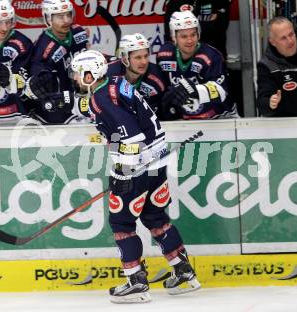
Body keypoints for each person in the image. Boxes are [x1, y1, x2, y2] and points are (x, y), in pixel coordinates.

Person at [70, 50, 200, 303]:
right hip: (156, 161)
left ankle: (135, 281)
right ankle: (185, 273)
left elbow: (131, 138)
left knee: (122, 223)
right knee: (155, 217)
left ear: (89, 74)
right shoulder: (117, 83)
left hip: (137, 164)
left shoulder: (101, 98)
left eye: (77, 72)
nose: (75, 77)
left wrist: (122, 172)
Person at [157, 10, 238, 120]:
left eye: (193, 35)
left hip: (219, 118)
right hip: (184, 121)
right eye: (184, 36)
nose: (190, 40)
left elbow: (221, 91)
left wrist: (194, 90)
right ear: (173, 37)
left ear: (198, 34)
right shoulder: (164, 55)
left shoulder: (211, 56)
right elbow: (163, 88)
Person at [23, 0, 89, 124]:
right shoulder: (43, 49)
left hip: (81, 100)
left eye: (68, 15)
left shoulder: (79, 32)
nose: (66, 20)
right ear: (48, 19)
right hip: (59, 110)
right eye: (60, 16)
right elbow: (40, 86)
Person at [107, 33, 169, 119]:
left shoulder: (157, 79)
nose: (144, 62)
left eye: (146, 56)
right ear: (125, 59)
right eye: (138, 57)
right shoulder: (109, 76)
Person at [163, 0, 231, 59]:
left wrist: (183, 26)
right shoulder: (175, 2)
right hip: (184, 58)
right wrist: (206, 24)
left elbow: (220, 27)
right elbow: (170, 32)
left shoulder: (220, 1)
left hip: (213, 56)